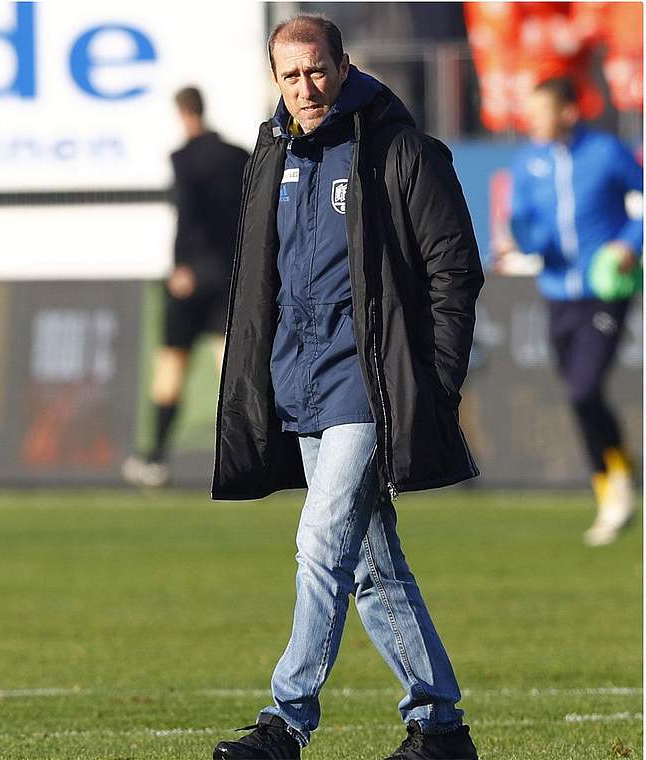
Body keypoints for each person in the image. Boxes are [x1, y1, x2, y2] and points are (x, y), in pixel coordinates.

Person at [211, 15, 482, 760]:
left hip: (369, 388)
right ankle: (440, 727)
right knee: (371, 567)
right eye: (290, 76)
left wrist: (436, 382)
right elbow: (257, 284)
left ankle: (285, 721)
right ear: (276, 80)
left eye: (317, 70)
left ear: (342, 64)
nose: (305, 87)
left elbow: (454, 271)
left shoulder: (400, 150)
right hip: (299, 388)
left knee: (319, 545)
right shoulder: (272, 157)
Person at [494, 77, 642, 546]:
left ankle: (615, 487)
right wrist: (518, 238)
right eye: (530, 111)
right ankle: (614, 480)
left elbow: (641, 206)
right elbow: (529, 233)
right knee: (578, 395)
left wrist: (627, 245)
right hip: (557, 294)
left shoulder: (606, 152)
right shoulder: (526, 165)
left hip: (606, 290)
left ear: (569, 113)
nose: (533, 120)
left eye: (542, 111)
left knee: (583, 388)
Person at [123, 86, 250, 488]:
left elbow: (187, 214)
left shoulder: (183, 159)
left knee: (170, 367)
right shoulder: (237, 157)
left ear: (181, 113)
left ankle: (154, 460)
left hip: (192, 276)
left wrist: (181, 265)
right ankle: (249, 457)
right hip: (230, 273)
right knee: (231, 370)